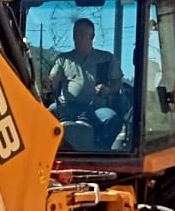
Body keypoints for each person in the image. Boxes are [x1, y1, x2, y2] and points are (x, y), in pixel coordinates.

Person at [48, 18, 124, 148]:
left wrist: (108, 90)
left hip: (96, 108)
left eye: (82, 34)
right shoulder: (64, 59)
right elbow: (52, 81)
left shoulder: (106, 58)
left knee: (111, 118)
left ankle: (99, 154)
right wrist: (49, 83)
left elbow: (117, 84)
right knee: (47, 114)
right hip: (66, 107)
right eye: (76, 34)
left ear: (92, 36)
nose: (78, 38)